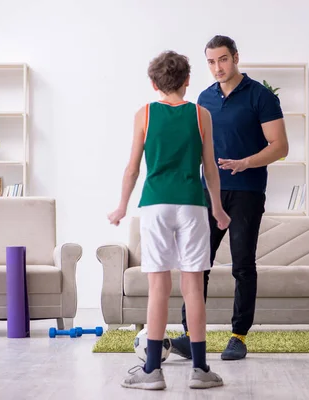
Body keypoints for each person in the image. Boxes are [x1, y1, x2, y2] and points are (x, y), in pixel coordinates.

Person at [107, 50, 230, 390]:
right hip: (192, 206)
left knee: (158, 288)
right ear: (188, 81)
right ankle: (201, 369)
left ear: (153, 83)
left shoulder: (144, 113)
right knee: (193, 287)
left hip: (156, 206)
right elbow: (211, 169)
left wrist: (121, 207)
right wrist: (218, 209)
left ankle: (151, 371)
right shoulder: (201, 114)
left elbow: (132, 167)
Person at [170, 35, 289, 361]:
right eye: (210, 62)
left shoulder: (260, 97)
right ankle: (191, 335)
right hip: (208, 193)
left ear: (235, 57)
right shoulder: (204, 99)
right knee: (197, 265)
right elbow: (195, 145)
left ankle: (238, 336)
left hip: (248, 192)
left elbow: (280, 146)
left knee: (242, 264)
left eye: (222, 59)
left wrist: (245, 163)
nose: (217, 67)